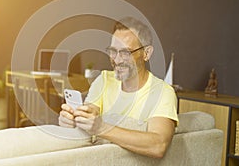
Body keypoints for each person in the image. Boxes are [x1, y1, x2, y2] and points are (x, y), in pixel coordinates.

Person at [59, 17, 178, 158]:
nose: (116, 60)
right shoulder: (104, 79)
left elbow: (158, 145)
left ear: (146, 53)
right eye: (113, 51)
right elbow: (90, 114)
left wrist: (101, 128)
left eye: (126, 52)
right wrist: (73, 120)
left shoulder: (163, 92)